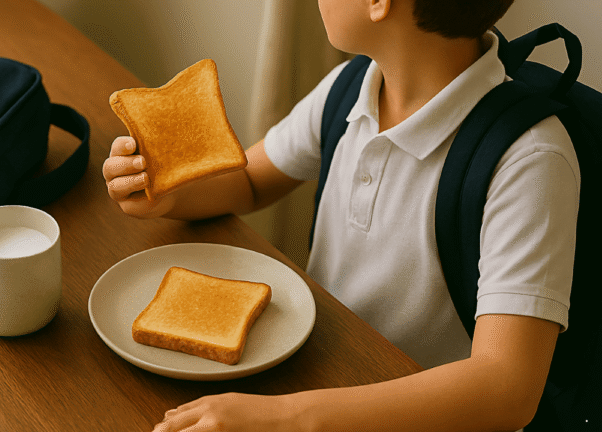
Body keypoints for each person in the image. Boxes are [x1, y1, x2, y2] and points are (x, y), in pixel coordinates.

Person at [103, 0, 580, 430]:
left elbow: (505, 389)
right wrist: (167, 196)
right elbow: (249, 182)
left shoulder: (530, 159)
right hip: (321, 374)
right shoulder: (353, 84)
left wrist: (285, 417)